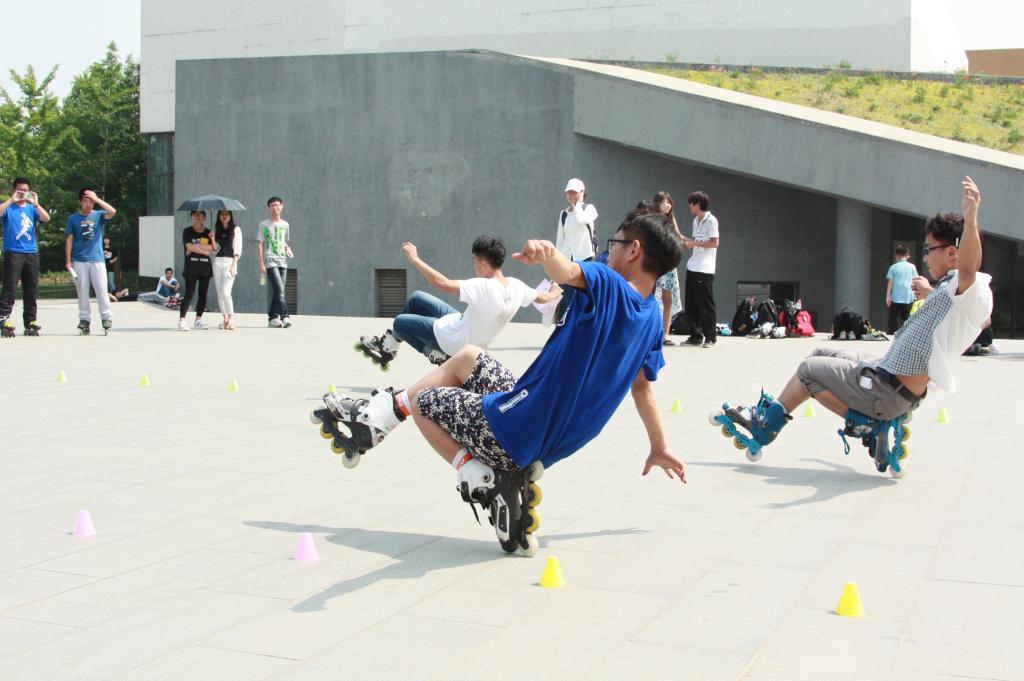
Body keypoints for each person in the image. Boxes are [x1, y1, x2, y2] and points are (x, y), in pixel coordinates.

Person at [313, 208, 687, 554]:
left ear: (634, 250)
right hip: (548, 434)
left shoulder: (609, 283)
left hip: (520, 425)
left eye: (615, 243)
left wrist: (547, 253)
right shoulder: (652, 320)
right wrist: (659, 446)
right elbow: (643, 389)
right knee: (467, 358)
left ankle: (482, 478)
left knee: (425, 401)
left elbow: (569, 272)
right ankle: (379, 419)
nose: (609, 251)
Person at [712, 177, 992, 476]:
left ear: (952, 253)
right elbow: (954, 299)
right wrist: (929, 292)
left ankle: (778, 426)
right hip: (887, 376)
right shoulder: (950, 290)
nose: (925, 257)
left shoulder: (967, 286)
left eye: (929, 249)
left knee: (809, 372)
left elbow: (968, 268)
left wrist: (971, 216)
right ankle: (790, 419)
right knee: (819, 352)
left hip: (888, 392)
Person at [357, 237, 562, 369]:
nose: (474, 266)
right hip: (464, 327)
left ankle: (436, 353)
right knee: (416, 298)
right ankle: (389, 345)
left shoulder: (484, 286)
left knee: (400, 322)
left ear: (484, 264)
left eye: (474, 261)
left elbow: (443, 284)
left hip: (455, 342)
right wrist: (556, 290)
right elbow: (543, 297)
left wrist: (415, 259)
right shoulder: (516, 286)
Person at [1, 178, 51, 337]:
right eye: (20, 190)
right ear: (14, 190)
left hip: (31, 252)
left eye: (25, 190)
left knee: (31, 288)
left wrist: (36, 203)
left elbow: (46, 218)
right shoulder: (9, 207)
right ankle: (3, 318)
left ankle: (30, 320)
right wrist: (11, 200)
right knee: (10, 287)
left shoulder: (31, 208)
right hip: (13, 252)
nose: (23, 192)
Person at [64, 188, 117, 335]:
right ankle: (84, 319)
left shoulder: (99, 215)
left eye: (91, 201)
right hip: (79, 260)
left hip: (97, 259)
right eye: (85, 201)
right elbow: (69, 239)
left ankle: (106, 317)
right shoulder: (73, 218)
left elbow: (112, 211)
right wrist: (68, 261)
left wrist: (97, 199)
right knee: (82, 291)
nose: (88, 204)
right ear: (80, 201)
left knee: (101, 290)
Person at [553, 178, 599, 322]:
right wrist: (555, 263)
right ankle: (562, 327)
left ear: (582, 192)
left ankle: (583, 325)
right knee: (564, 296)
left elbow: (581, 220)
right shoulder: (564, 214)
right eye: (569, 192)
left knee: (582, 296)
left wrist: (577, 204)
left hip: (585, 258)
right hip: (567, 259)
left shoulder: (589, 209)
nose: (571, 195)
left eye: (575, 192)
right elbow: (560, 240)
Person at [681, 191, 719, 348]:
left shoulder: (711, 220)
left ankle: (711, 337)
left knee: (705, 304)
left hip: (704, 268)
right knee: (691, 303)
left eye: (691, 204)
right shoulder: (696, 220)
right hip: (692, 266)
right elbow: (698, 241)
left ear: (697, 204)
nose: (689, 206)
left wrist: (694, 243)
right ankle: (696, 336)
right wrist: (687, 241)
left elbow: (715, 243)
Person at [652, 191, 684, 345]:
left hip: (669, 263)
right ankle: (653, 332)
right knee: (653, 297)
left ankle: (665, 334)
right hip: (655, 263)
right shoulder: (652, 218)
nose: (668, 205)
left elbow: (677, 237)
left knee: (668, 299)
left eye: (669, 202)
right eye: (665, 202)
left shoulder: (671, 219)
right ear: (657, 203)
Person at [257, 196, 293, 328]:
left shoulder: (285, 225)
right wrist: (261, 263)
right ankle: (285, 317)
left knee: (279, 291)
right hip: (270, 260)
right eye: (272, 205)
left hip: (283, 260)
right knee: (279, 289)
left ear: (282, 206)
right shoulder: (264, 224)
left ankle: (272, 317)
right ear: (269, 208)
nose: (275, 207)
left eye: (277, 205)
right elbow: (260, 244)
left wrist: (287, 248)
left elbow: (282, 241)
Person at [178, 210, 215, 331]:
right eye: (195, 215)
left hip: (205, 267)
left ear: (204, 217)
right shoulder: (187, 231)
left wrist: (196, 247)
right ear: (191, 217)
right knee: (189, 293)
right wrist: (204, 251)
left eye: (200, 215)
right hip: (191, 267)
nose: (198, 217)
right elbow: (188, 246)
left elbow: (212, 247)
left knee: (203, 294)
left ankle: (198, 319)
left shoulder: (209, 232)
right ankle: (182, 320)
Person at [212, 210, 242, 329]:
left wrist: (234, 265)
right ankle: (224, 318)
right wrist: (212, 238)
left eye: (226, 214)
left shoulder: (235, 229)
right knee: (220, 293)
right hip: (217, 262)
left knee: (226, 292)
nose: (224, 216)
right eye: (222, 214)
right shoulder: (217, 230)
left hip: (230, 262)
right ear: (219, 216)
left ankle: (230, 318)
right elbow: (214, 249)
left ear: (230, 216)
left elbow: (238, 248)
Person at [886, 244, 918, 334]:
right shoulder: (912, 267)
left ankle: (892, 335)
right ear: (907, 255)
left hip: (895, 297)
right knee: (907, 317)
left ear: (896, 255)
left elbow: (890, 282)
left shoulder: (893, 267)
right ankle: (906, 335)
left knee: (893, 318)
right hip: (908, 296)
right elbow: (915, 280)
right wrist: (916, 293)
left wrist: (888, 296)